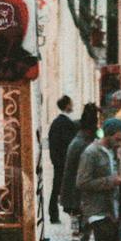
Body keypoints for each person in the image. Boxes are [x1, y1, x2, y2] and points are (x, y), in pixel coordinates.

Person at [57, 104, 101, 241]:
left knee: (83, 234)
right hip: (77, 200)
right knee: (79, 236)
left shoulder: (78, 141)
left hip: (74, 199)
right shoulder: (83, 145)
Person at [47, 96, 77, 225]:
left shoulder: (56, 123)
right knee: (62, 187)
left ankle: (54, 213)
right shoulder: (66, 124)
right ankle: (64, 212)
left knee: (56, 187)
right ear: (67, 106)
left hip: (58, 161)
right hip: (63, 162)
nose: (72, 106)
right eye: (71, 104)